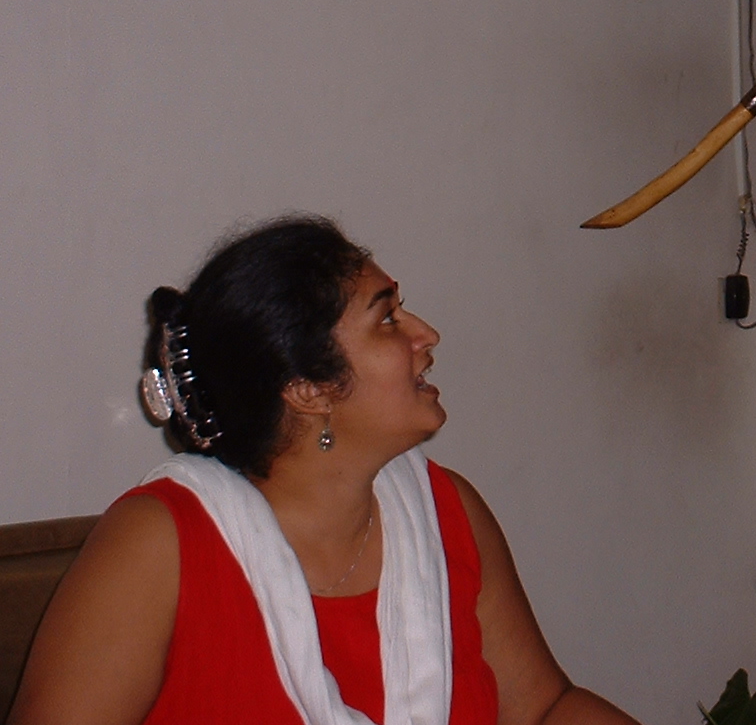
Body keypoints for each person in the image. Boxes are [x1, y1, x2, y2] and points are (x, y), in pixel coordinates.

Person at [9, 217, 640, 725]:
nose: (426, 335)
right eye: (387, 319)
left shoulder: (449, 511)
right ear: (308, 389)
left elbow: (542, 709)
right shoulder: (159, 545)